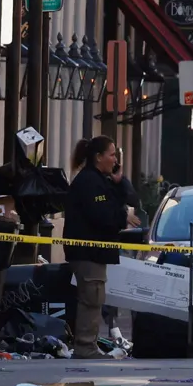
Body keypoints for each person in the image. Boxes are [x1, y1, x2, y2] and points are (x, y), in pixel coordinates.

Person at [64, 136, 140, 359]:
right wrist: (122, 215)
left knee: (95, 297)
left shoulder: (101, 180)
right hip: (88, 252)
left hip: (95, 253)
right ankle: (85, 347)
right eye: (112, 154)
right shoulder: (89, 182)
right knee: (91, 298)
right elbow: (103, 215)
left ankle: (89, 345)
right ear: (98, 157)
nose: (115, 159)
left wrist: (120, 180)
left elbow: (131, 200)